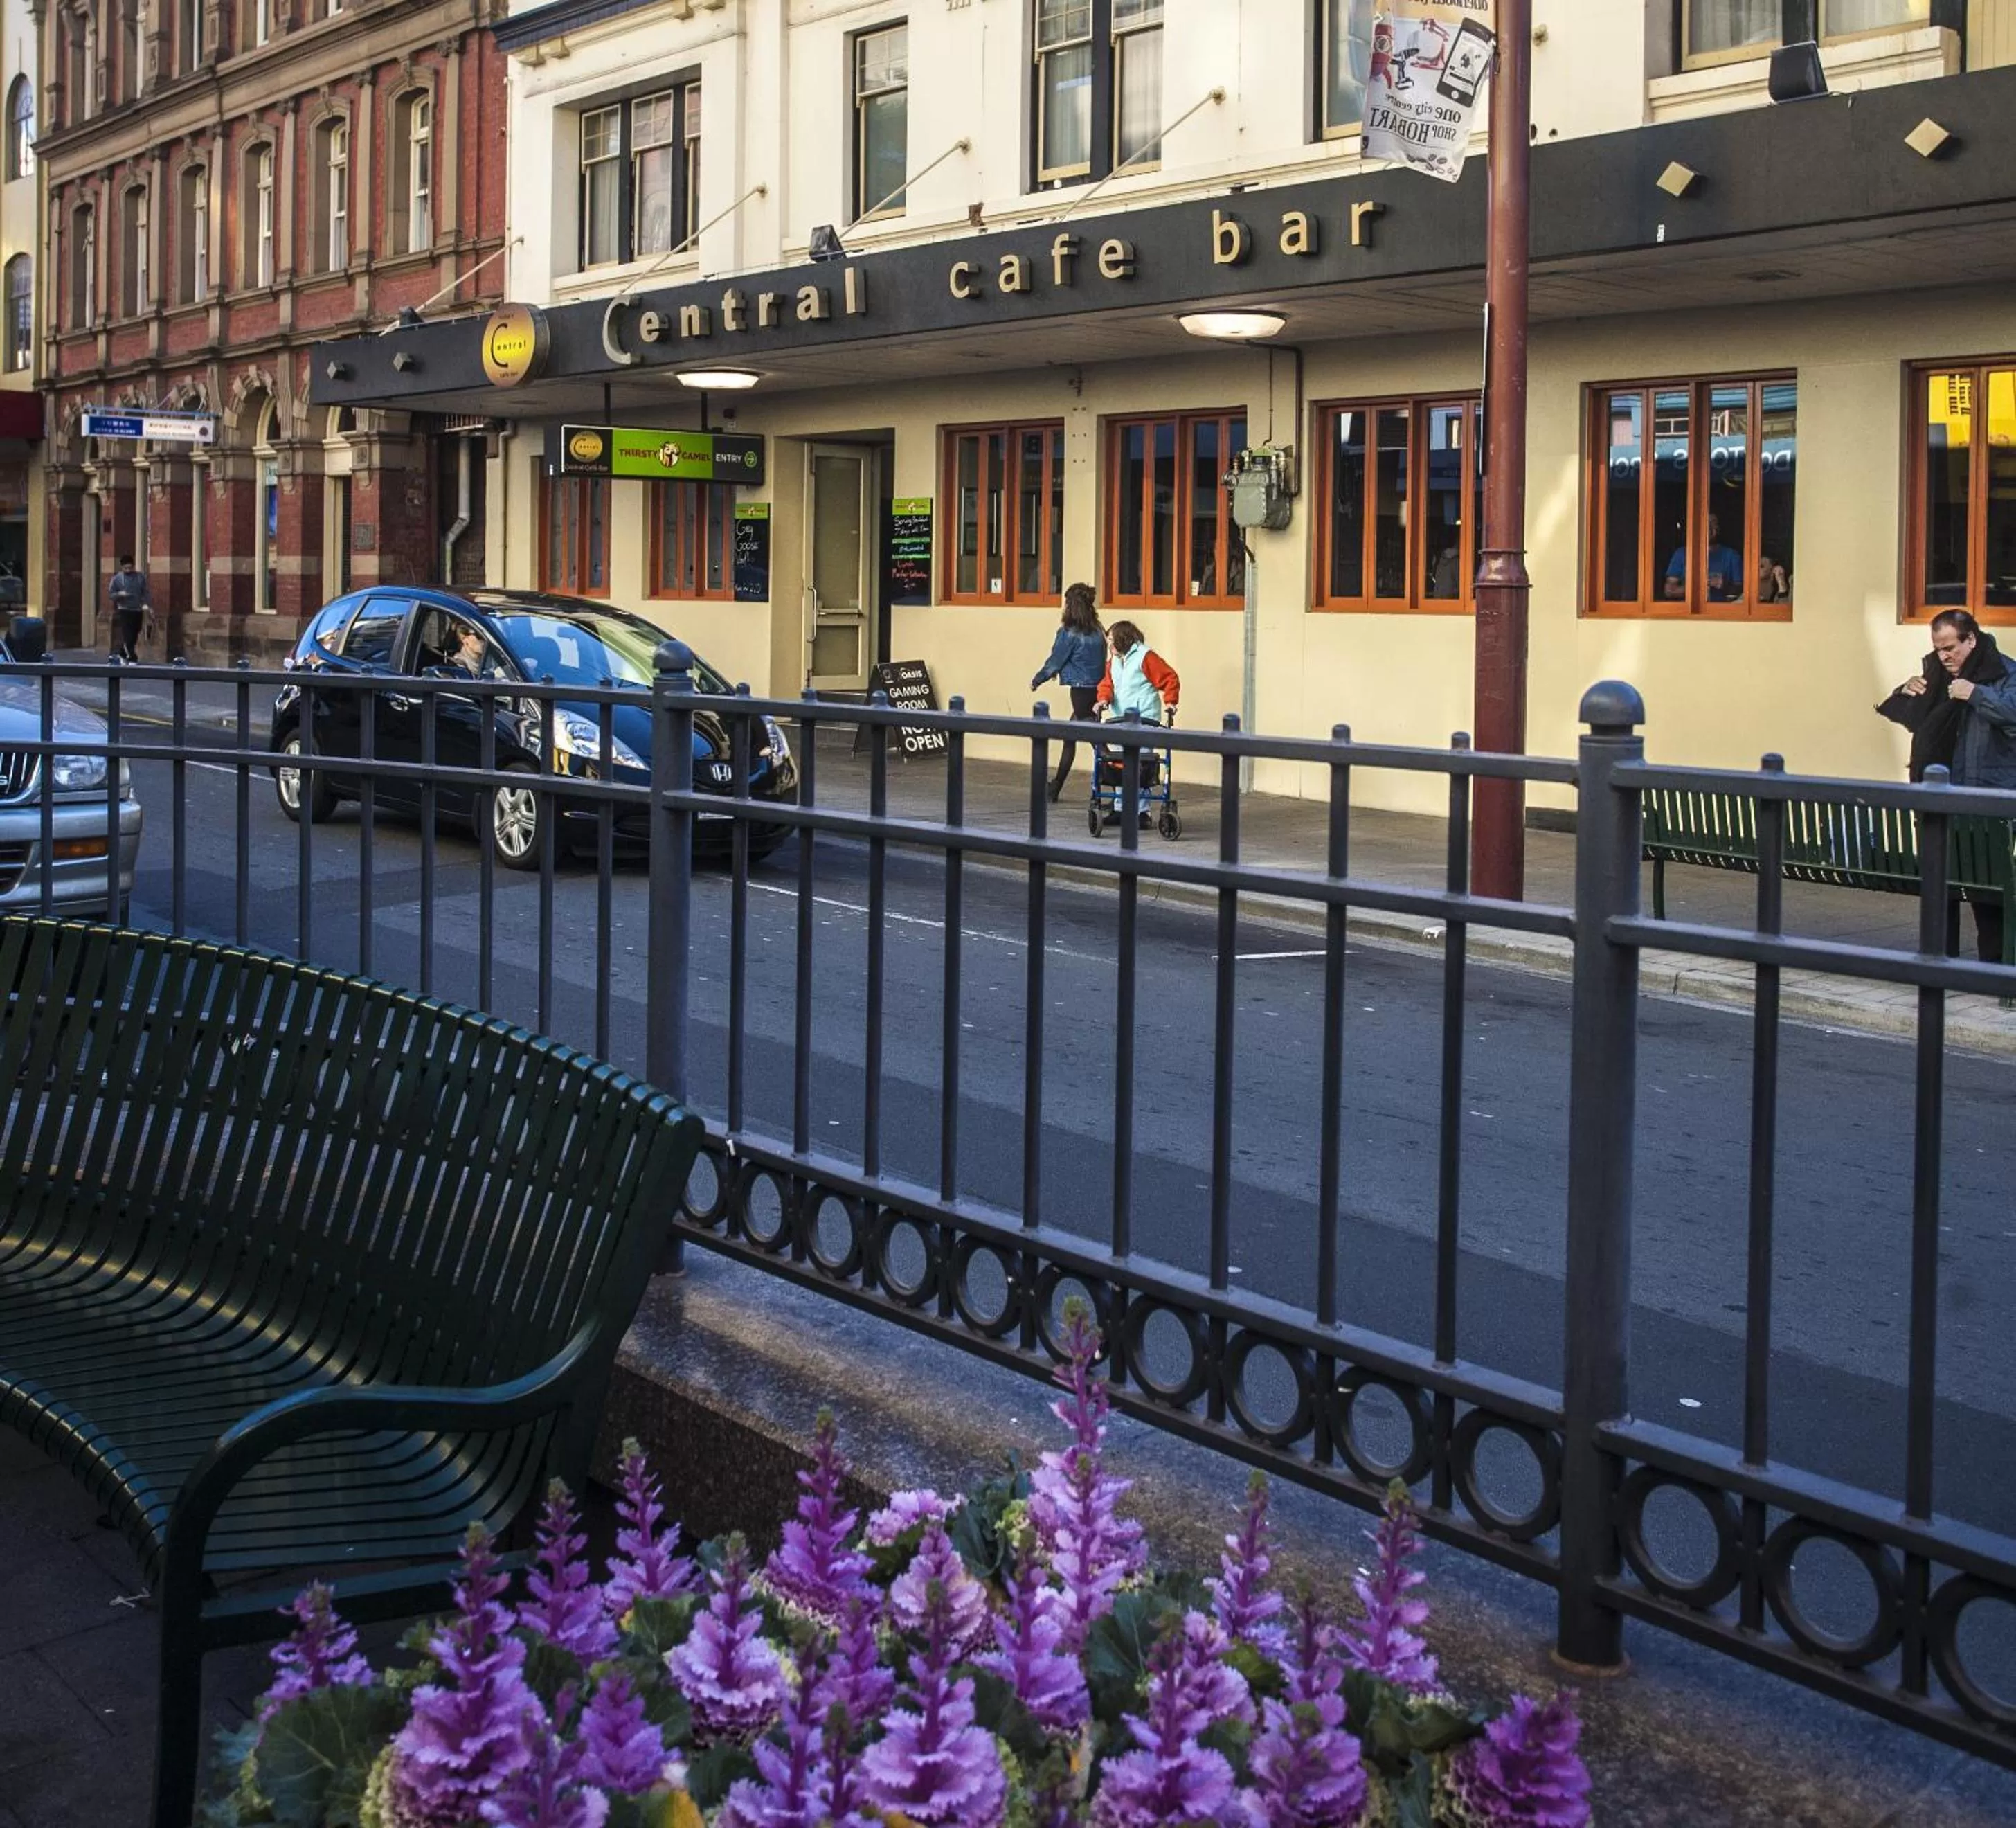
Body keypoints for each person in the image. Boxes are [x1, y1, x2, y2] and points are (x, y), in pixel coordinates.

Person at [1877, 608, 2016, 963]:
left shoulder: (2004, 673)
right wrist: (1907, 690)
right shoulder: (1938, 676)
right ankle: (1940, 963)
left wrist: (1976, 695)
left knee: (1987, 889)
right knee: (1942, 885)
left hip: (1985, 798)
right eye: (1938, 649)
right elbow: (1914, 718)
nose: (1944, 656)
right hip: (1939, 798)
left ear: (1971, 640)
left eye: (1951, 648)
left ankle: (1994, 967)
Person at [1030, 582, 1106, 802]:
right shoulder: (1098, 631)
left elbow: (1055, 661)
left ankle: (1121, 773)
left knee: (1097, 740)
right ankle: (1055, 787)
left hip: (1080, 690)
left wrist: (1037, 680)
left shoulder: (1069, 633)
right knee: (1070, 737)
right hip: (1097, 688)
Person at [1663, 513, 1743, 602]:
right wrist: (1700, 586)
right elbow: (1669, 591)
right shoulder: (1681, 554)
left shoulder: (1732, 555)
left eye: (1712, 523)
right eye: (1704, 523)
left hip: (1722, 613)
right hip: (1690, 613)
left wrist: (1725, 586)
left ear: (1719, 529)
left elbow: (1741, 591)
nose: (1708, 527)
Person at [107, 555, 152, 663]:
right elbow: (111, 595)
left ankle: (122, 652)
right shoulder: (117, 579)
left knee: (136, 632)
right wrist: (120, 594)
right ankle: (132, 658)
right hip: (124, 609)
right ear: (122, 568)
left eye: (130, 568)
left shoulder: (140, 577)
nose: (128, 570)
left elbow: (145, 592)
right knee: (128, 633)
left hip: (137, 609)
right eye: (126, 568)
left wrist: (148, 605)